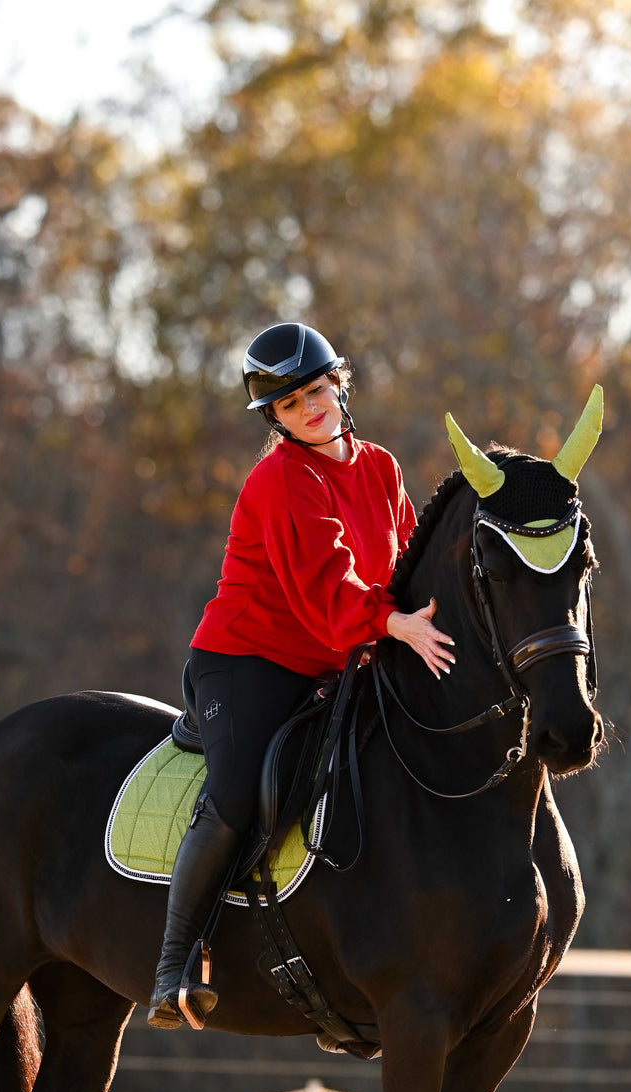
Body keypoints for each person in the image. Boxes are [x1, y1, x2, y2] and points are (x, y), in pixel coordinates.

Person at [148, 321, 456, 1028]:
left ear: (340, 384)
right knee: (237, 789)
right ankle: (171, 965)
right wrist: (391, 624)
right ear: (275, 418)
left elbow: (406, 561)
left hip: (339, 652)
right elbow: (330, 588)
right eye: (290, 404)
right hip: (247, 661)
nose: (310, 408)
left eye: (317, 390)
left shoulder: (379, 466)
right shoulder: (281, 479)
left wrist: (425, 617)